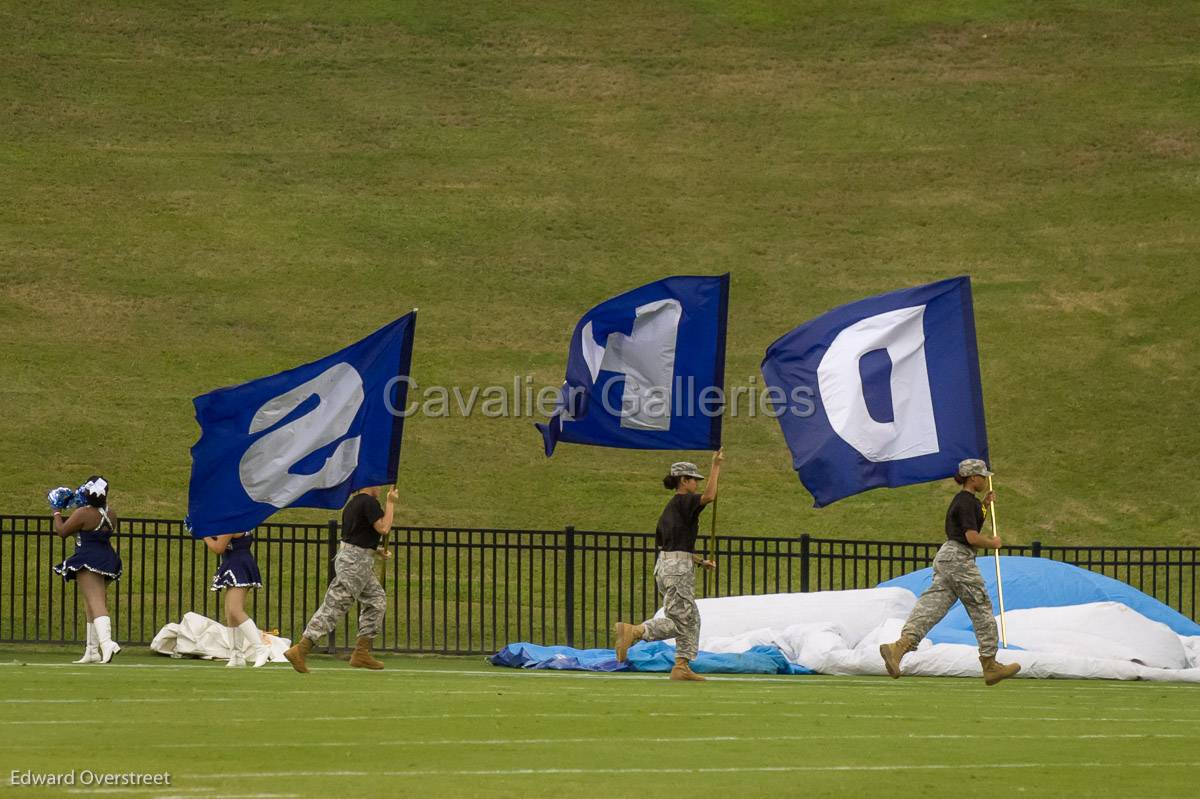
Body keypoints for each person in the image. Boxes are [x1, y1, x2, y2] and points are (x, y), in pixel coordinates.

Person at [879, 459, 1021, 686]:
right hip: (959, 558)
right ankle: (990, 664)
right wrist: (992, 543)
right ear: (973, 478)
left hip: (946, 557)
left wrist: (984, 505)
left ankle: (899, 647)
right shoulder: (965, 502)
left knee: (933, 606)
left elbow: (971, 522)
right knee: (980, 606)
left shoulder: (966, 502)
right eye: (983, 476)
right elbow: (971, 537)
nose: (985, 479)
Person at [612, 449, 722, 682]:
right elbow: (710, 496)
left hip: (667, 566)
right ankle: (635, 631)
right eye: (694, 480)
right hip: (678, 570)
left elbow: (673, 547)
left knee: (688, 618)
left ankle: (681, 666)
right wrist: (716, 466)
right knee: (684, 619)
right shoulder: (684, 501)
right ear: (684, 480)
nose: (696, 484)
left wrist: (701, 561)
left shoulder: (671, 509)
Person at [284, 485, 397, 673]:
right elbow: (384, 528)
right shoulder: (369, 502)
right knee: (335, 605)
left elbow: (356, 536)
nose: (379, 487)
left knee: (377, 601)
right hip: (356, 563)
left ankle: (362, 651)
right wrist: (390, 503)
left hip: (355, 560)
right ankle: (301, 649)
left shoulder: (353, 504)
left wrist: (374, 551)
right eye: (375, 483)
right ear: (367, 484)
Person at [51, 476, 122, 664]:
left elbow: (62, 531)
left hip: (88, 560)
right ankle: (92, 651)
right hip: (107, 558)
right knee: (91, 603)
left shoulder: (83, 513)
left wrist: (56, 511)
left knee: (96, 601)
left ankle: (107, 644)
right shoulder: (111, 513)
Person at [203, 532, 270, 668]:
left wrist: (204, 535)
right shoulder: (239, 520)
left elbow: (218, 547)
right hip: (235, 562)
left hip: (238, 565)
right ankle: (237, 656)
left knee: (235, 609)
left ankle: (261, 648)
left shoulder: (232, 524)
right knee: (230, 612)